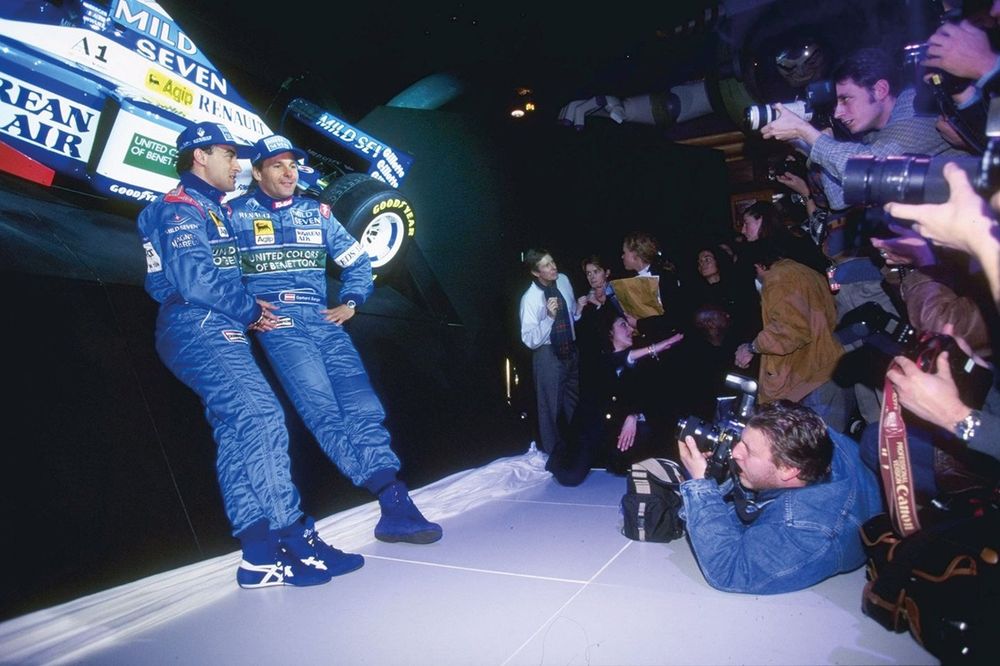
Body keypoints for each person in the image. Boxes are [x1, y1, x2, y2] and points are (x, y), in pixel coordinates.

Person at [137, 122, 363, 588]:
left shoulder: (214, 208)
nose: (236, 164)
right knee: (262, 417)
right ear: (200, 157)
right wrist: (250, 310)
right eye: (227, 154)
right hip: (197, 325)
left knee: (237, 432)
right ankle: (293, 537)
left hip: (217, 326)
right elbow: (195, 282)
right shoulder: (179, 208)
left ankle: (258, 555)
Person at [228, 135, 442, 545]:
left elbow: (358, 261)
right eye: (277, 165)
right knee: (324, 411)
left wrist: (351, 301)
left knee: (363, 405)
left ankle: (395, 499)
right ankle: (388, 495)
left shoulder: (317, 213)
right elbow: (214, 273)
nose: (288, 173)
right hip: (280, 324)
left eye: (293, 165)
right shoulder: (233, 216)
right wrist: (247, 310)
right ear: (256, 172)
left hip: (324, 319)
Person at [677, 400, 882, 595]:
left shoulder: (810, 529)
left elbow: (729, 569)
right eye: (742, 439)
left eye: (748, 450)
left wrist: (700, 485)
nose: (736, 451)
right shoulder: (805, 438)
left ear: (788, 470)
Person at [761, 46, 960, 212]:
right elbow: (839, 200)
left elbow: (867, 172)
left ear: (880, 90)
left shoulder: (917, 111)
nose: (837, 113)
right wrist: (805, 144)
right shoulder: (873, 135)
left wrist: (804, 130)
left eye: (846, 99)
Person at [734, 240, 852, 432]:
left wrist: (751, 347)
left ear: (758, 266)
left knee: (819, 446)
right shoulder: (808, 273)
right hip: (828, 368)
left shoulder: (778, 279)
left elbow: (790, 330)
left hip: (811, 381)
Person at [519, 248, 580, 456]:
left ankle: (579, 450)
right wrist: (549, 318)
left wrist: (580, 308)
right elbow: (529, 339)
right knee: (550, 408)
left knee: (575, 404)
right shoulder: (530, 299)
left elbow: (571, 314)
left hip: (571, 349)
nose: (553, 267)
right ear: (536, 272)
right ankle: (554, 455)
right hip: (547, 354)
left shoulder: (563, 280)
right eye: (546, 265)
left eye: (552, 261)